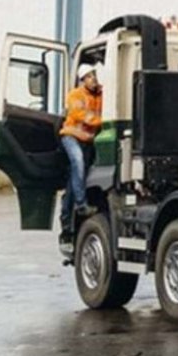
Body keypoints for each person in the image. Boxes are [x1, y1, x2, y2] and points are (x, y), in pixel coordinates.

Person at [59, 66, 103, 234]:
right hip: (71, 136)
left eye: (94, 75)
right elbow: (83, 116)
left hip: (87, 140)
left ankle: (66, 219)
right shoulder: (75, 95)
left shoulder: (100, 94)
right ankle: (81, 204)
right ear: (83, 80)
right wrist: (104, 120)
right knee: (78, 162)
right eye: (89, 76)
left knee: (77, 176)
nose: (93, 79)